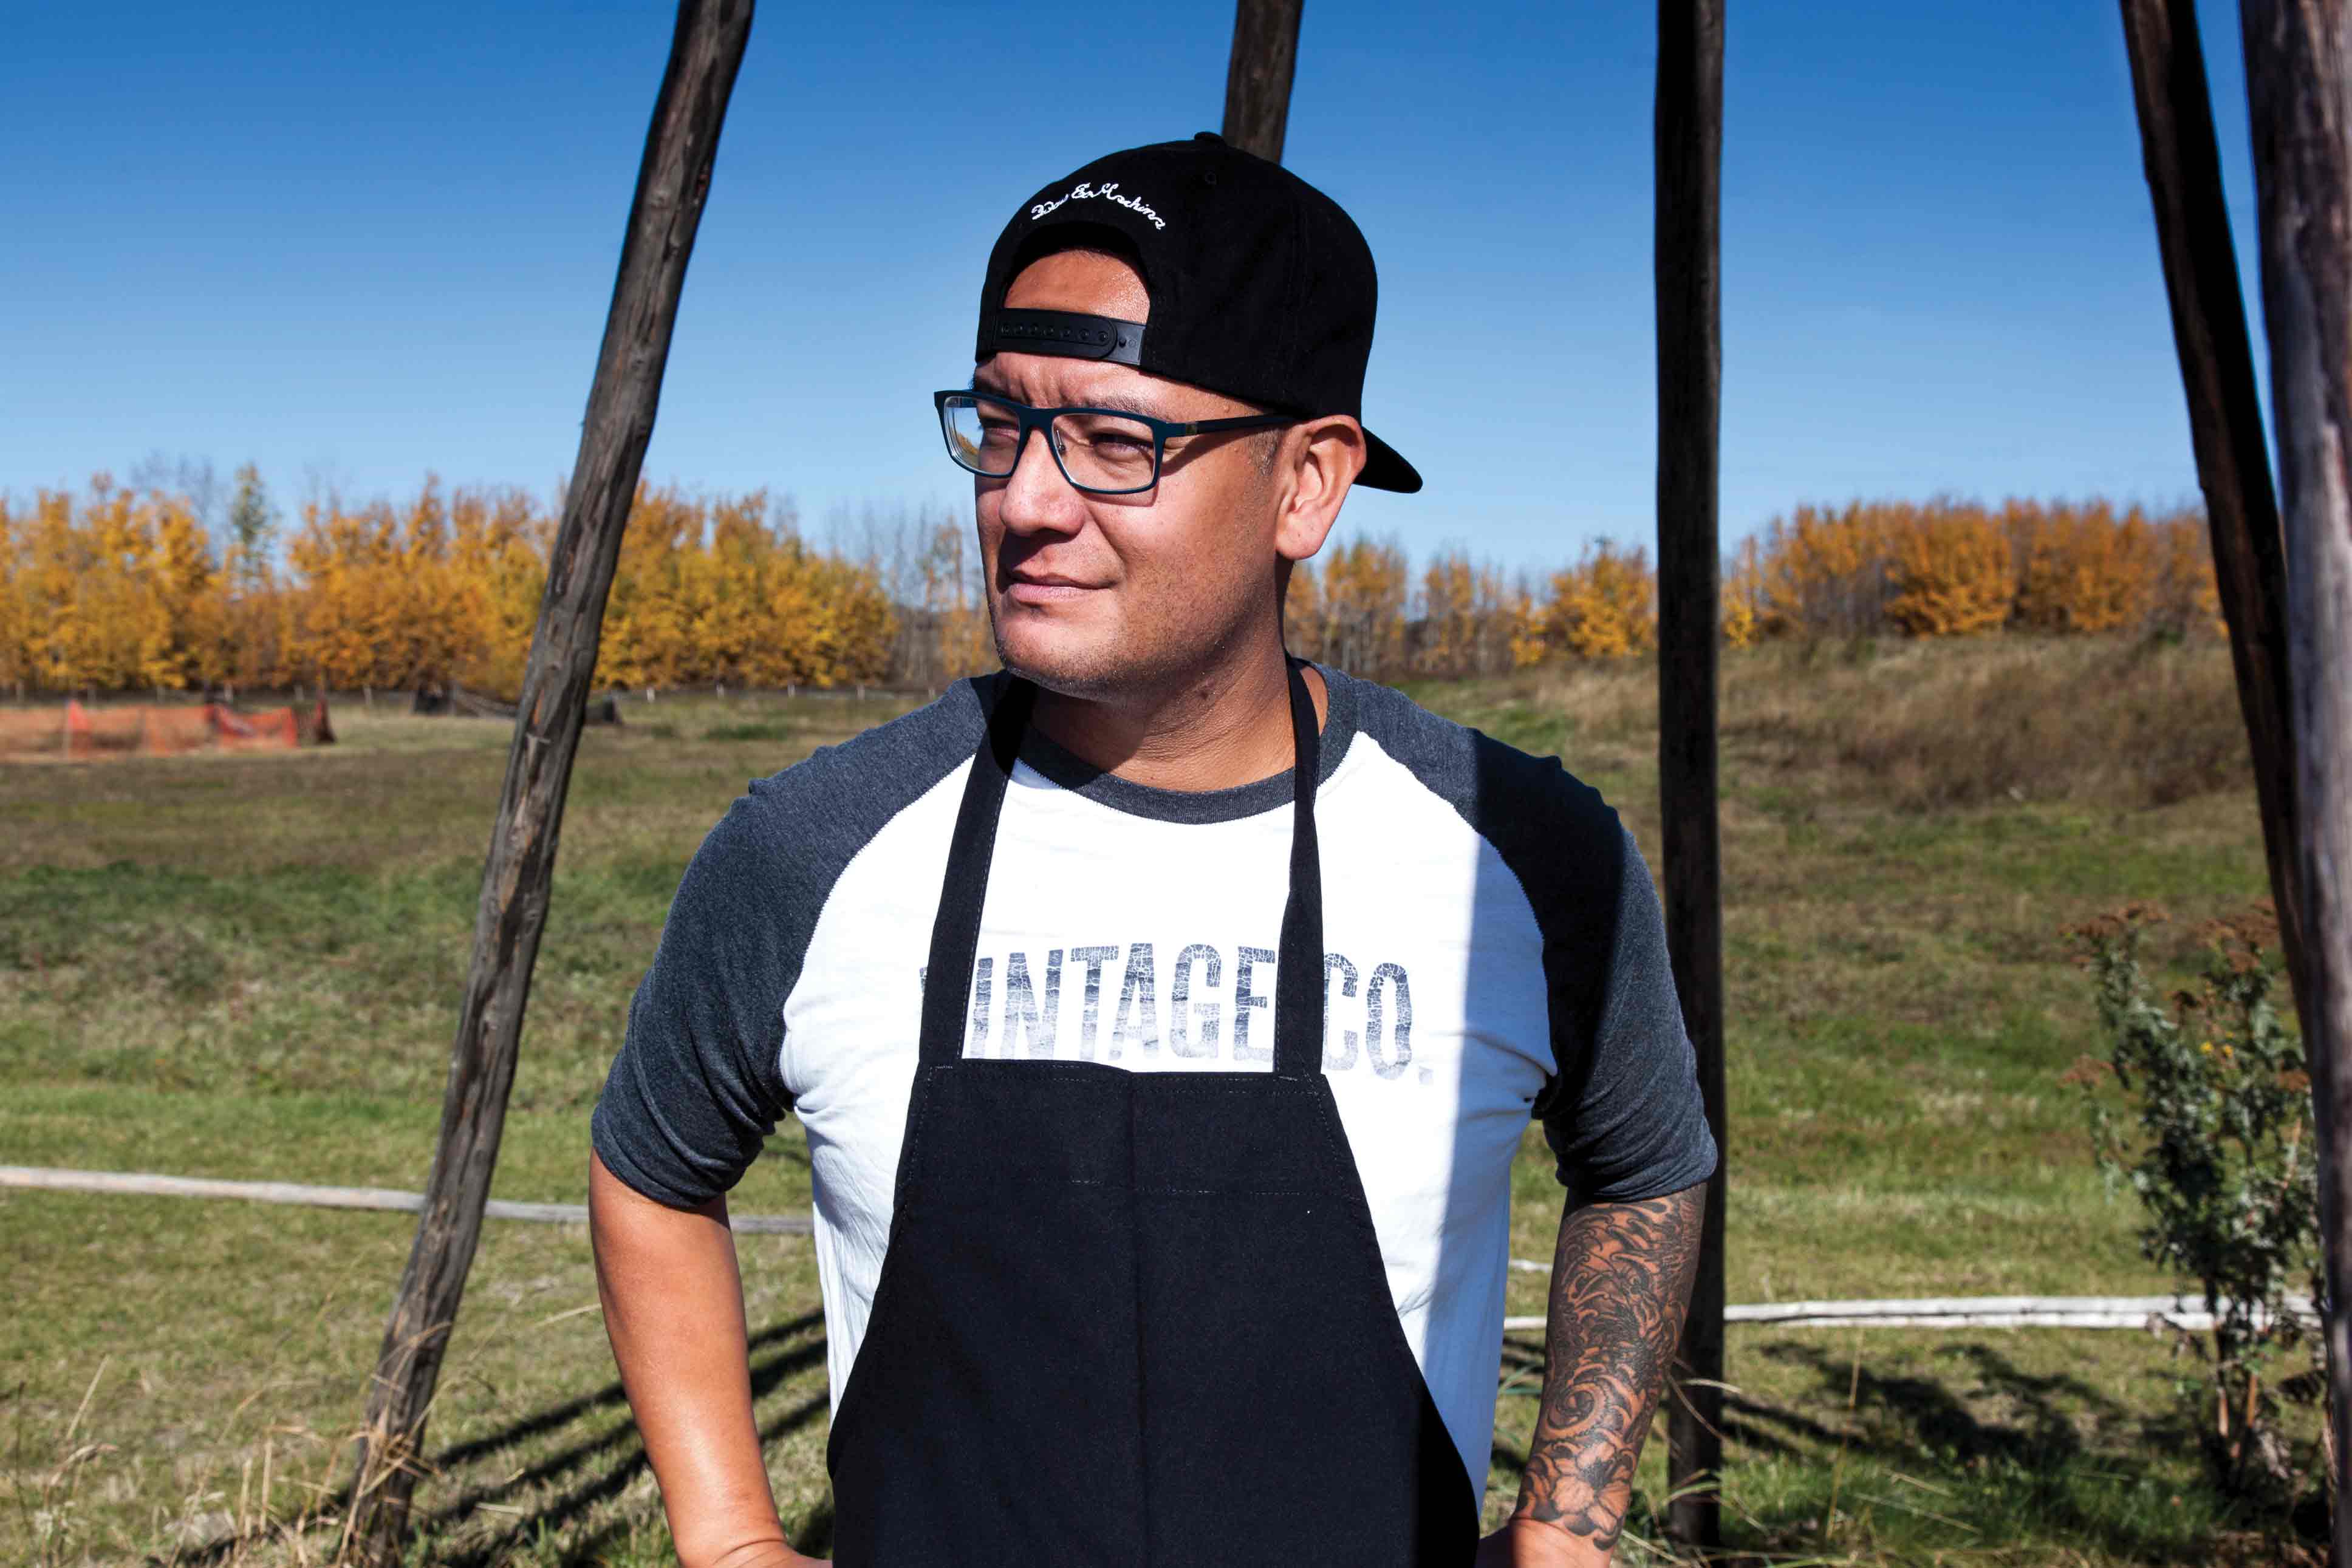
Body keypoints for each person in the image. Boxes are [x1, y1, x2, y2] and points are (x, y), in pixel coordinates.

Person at [588, 132, 1717, 1568]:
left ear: (1308, 484)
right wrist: (729, 1537)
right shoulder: (813, 849)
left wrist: (1566, 1523)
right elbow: (650, 1169)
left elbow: (1642, 1162)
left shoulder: (1524, 854)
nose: (1025, 500)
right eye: (1001, 426)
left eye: (1119, 443)